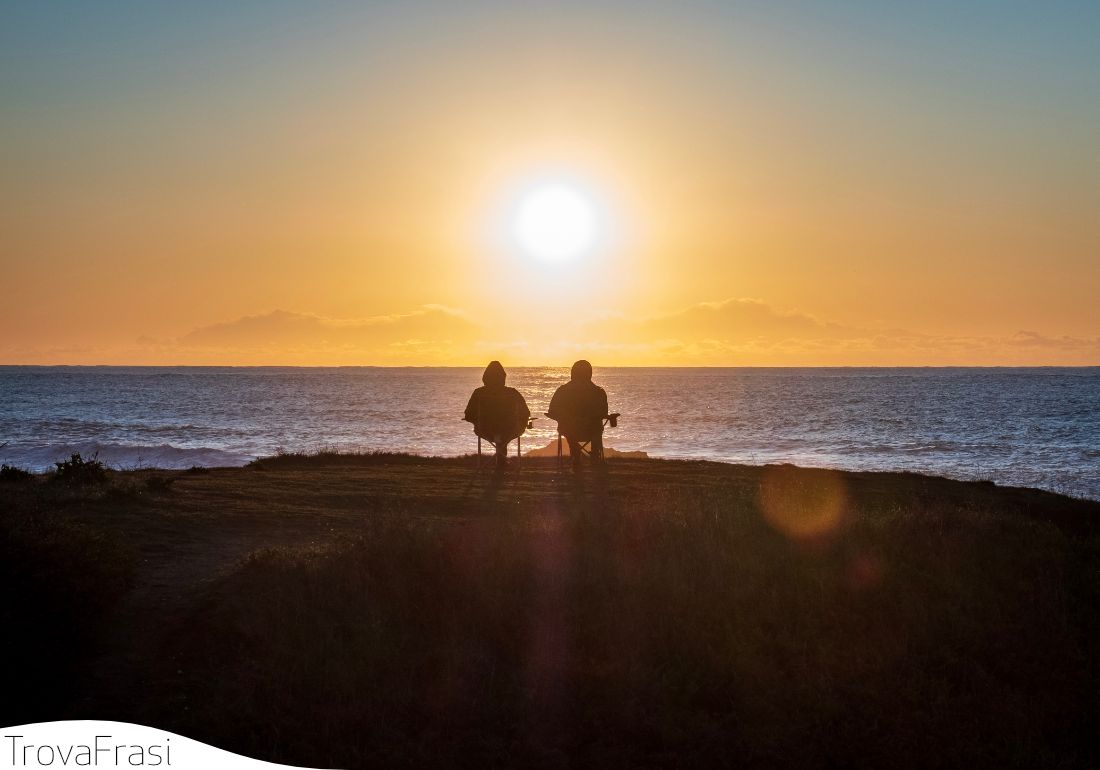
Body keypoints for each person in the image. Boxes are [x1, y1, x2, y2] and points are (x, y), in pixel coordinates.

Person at [463, 361, 531, 468]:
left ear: (485, 377)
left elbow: (468, 414)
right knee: (503, 434)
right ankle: (501, 460)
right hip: (510, 429)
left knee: (499, 433)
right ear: (503, 377)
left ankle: (500, 460)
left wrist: (476, 422)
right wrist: (523, 422)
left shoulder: (479, 393)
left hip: (485, 430)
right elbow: (526, 412)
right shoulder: (512, 393)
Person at [547, 359, 610, 468]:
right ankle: (595, 455)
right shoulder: (599, 392)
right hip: (592, 431)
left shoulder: (562, 391)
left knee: (566, 428)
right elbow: (604, 412)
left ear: (572, 373)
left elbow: (552, 411)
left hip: (570, 431)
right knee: (597, 427)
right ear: (590, 374)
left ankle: (576, 454)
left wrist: (562, 418)